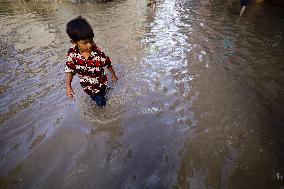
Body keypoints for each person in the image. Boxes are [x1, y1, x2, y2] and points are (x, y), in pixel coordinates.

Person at [65, 16, 118, 107]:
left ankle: (103, 112)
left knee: (100, 103)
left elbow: (107, 63)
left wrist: (113, 75)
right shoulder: (72, 53)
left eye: (91, 41)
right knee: (93, 98)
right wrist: (68, 86)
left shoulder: (97, 53)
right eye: (85, 43)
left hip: (99, 85)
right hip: (86, 86)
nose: (89, 45)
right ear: (74, 42)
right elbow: (70, 69)